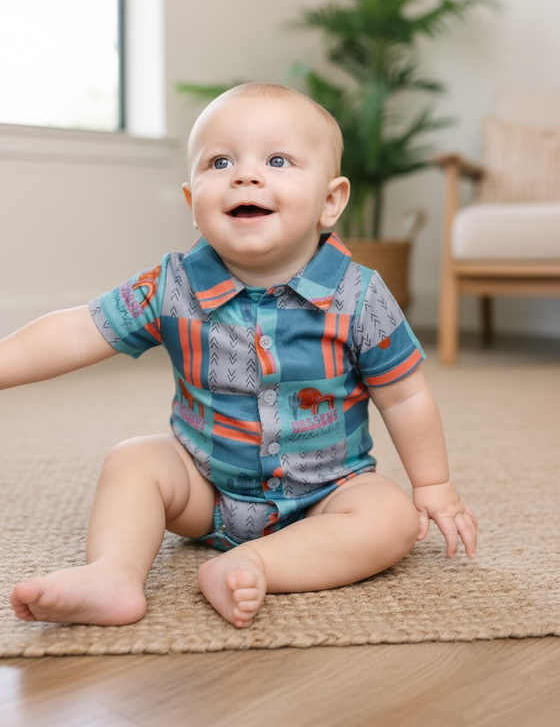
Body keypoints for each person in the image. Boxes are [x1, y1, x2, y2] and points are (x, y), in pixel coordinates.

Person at [3, 83, 477, 630]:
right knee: (134, 460)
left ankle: (256, 563)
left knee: (390, 517)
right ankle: (112, 574)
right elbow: (77, 332)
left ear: (330, 201)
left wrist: (434, 485)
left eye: (277, 160)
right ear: (192, 201)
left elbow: (406, 395)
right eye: (220, 161)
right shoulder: (170, 286)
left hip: (329, 491)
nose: (245, 175)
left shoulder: (360, 295)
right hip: (204, 489)